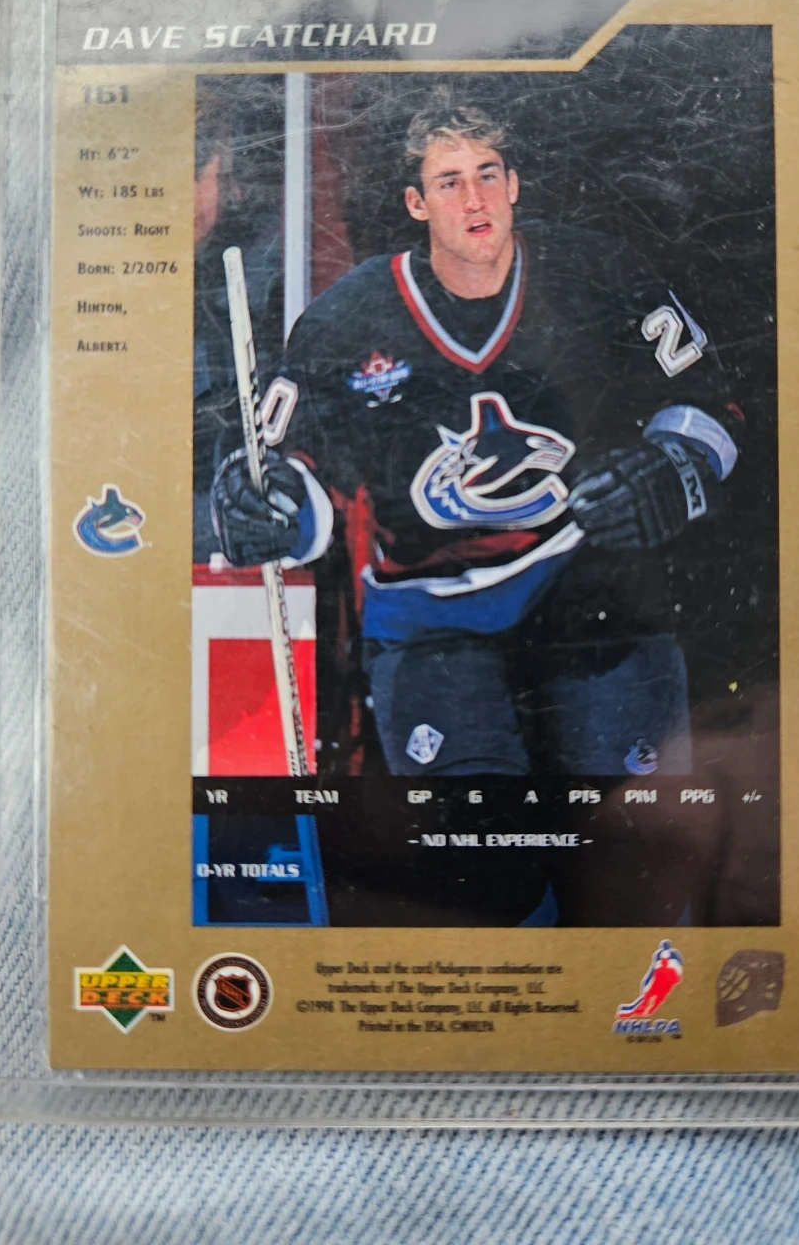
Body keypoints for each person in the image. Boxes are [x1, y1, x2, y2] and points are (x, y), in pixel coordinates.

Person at [212, 94, 741, 777]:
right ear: (416, 204)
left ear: (514, 185)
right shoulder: (346, 320)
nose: (474, 199)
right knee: (472, 838)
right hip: (432, 622)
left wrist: (675, 468)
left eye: (488, 174)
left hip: (593, 597)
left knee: (632, 834)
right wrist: (266, 510)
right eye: (449, 182)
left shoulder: (600, 273)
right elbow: (298, 479)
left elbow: (712, 402)